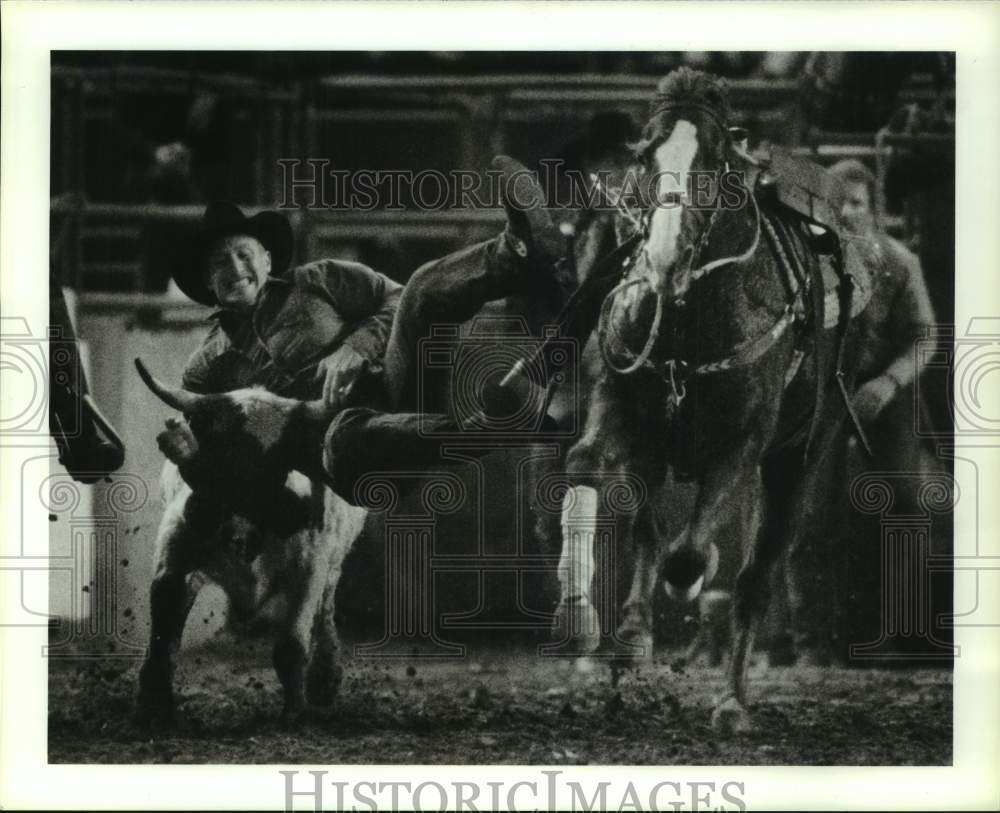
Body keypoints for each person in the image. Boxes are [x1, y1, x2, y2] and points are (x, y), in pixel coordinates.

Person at [160, 156, 567, 502]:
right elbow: (226, 477)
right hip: (344, 457)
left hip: (396, 383)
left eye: (243, 254)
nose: (235, 270)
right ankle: (491, 429)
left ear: (266, 259)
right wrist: (191, 461)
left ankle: (519, 250)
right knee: (343, 436)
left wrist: (356, 345)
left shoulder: (318, 278)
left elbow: (394, 299)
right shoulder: (205, 371)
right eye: (219, 264)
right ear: (207, 283)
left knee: (422, 285)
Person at [778, 158, 937, 665]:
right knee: (805, 514)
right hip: (822, 397)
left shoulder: (898, 261)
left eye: (856, 203)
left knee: (906, 505)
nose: (846, 214)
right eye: (836, 203)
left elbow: (925, 336)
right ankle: (810, 646)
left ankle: (905, 640)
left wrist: (889, 382)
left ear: (872, 209)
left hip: (882, 395)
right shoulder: (802, 265)